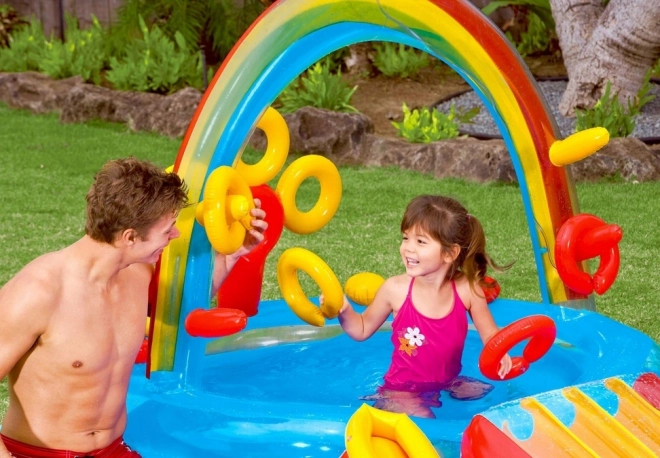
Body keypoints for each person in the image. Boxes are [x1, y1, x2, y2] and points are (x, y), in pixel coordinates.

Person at [0, 157, 267, 458]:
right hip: (34, 453)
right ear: (129, 237)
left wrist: (232, 256)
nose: (174, 235)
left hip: (113, 450)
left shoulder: (138, 274)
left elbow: (183, 307)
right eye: (167, 230)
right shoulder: (38, 292)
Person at [332, 194, 512, 418]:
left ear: (450, 253)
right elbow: (361, 329)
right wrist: (343, 310)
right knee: (424, 421)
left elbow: (489, 333)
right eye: (406, 238)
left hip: (448, 380)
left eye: (420, 242)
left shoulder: (467, 289)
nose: (408, 248)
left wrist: (500, 350)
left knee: (488, 396)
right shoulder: (395, 290)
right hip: (402, 389)